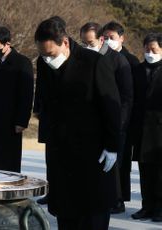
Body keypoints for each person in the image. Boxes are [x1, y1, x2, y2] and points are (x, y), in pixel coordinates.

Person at [35, 17, 121, 230]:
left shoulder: (94, 62)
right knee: (66, 214)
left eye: (51, 54)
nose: (47, 59)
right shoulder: (44, 63)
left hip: (92, 151)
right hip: (61, 152)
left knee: (92, 214)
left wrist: (112, 146)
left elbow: (111, 107)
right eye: (43, 54)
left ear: (64, 42)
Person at [80, 22, 133, 214]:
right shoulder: (84, 59)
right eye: (83, 42)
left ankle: (116, 200)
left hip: (115, 120)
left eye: (90, 42)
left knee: (114, 164)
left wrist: (120, 122)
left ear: (101, 39)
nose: (87, 46)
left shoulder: (118, 60)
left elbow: (126, 97)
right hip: (92, 121)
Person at [0, 26, 34, 173]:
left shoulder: (22, 63)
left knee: (8, 161)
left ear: (7, 44)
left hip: (11, 120)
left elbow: (26, 94)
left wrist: (22, 120)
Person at [102, 21, 140, 210]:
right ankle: (112, 197)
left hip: (125, 118)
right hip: (108, 117)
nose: (109, 41)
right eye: (106, 38)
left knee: (122, 162)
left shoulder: (130, 60)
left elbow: (131, 95)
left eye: (112, 38)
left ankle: (119, 198)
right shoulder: (102, 57)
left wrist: (125, 120)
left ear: (122, 38)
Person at [35, 15, 67, 205]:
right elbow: (41, 85)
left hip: (66, 118)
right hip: (49, 114)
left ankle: (63, 192)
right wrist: (37, 107)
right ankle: (52, 191)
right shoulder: (42, 59)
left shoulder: (70, 57)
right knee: (51, 159)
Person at [131, 33, 162, 222]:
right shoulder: (137, 69)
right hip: (142, 127)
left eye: (154, 50)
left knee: (160, 171)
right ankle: (147, 206)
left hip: (160, 129)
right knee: (144, 170)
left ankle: (160, 208)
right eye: (147, 49)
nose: (150, 53)